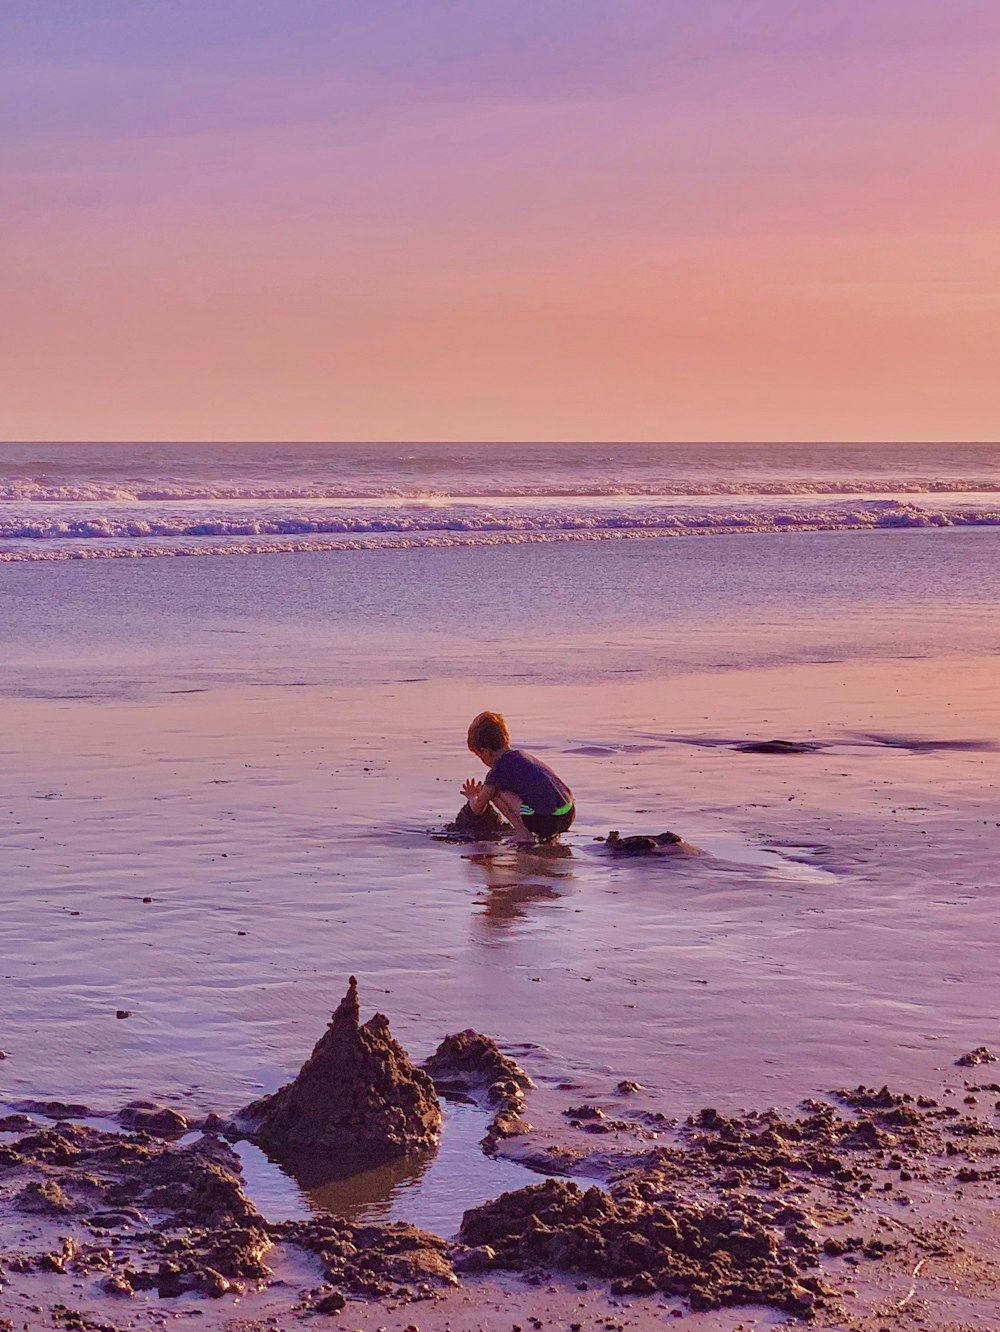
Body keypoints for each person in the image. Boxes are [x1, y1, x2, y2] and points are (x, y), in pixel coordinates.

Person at [462, 711, 575, 844]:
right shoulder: (522, 756)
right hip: (568, 813)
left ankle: (524, 835)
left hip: (547, 821)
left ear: (485, 752)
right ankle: (549, 836)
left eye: (479, 756)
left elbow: (478, 808)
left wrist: (472, 796)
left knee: (495, 791)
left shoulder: (497, 772)